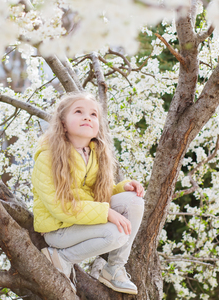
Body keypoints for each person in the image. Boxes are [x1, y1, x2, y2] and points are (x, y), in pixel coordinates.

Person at [31, 91, 145, 295]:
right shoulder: (48, 158)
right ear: (63, 123)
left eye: (93, 114)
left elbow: (101, 193)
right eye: (78, 111)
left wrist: (122, 188)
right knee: (117, 234)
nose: (87, 117)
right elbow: (60, 207)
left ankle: (114, 269)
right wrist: (106, 213)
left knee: (133, 201)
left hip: (84, 222)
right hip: (59, 229)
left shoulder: (94, 154)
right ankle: (63, 258)